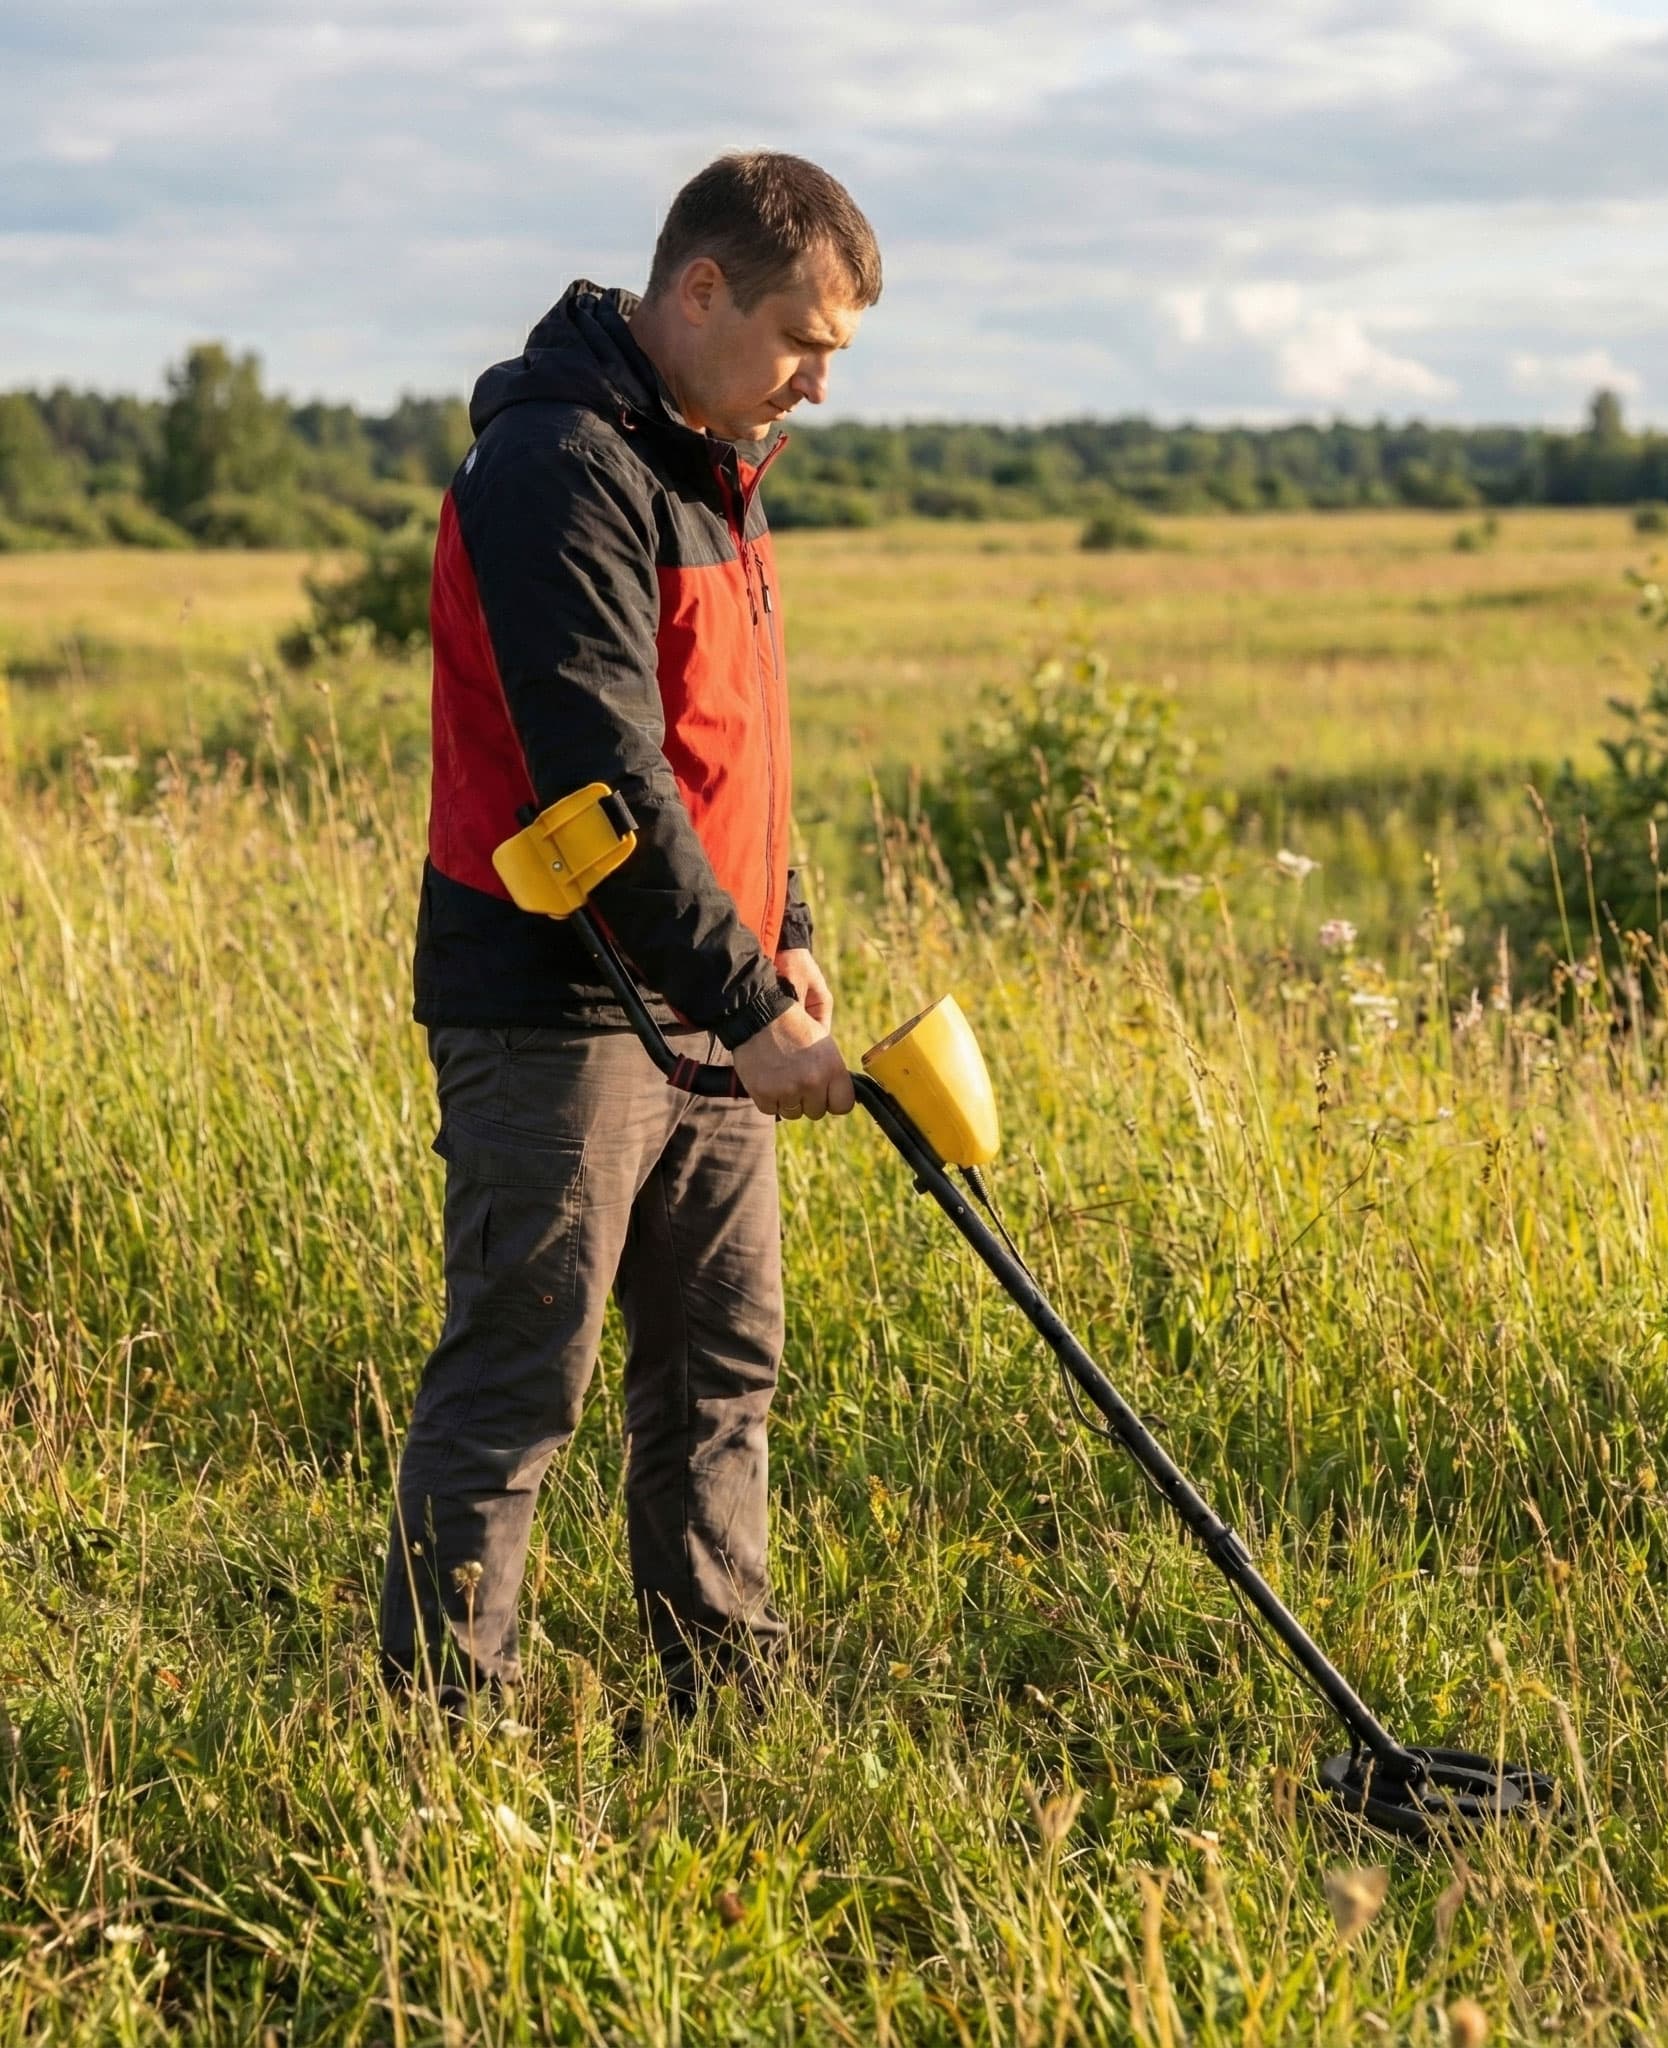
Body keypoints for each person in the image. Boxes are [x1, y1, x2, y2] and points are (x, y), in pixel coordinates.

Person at [379, 152, 880, 1732]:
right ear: (702, 288)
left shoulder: (712, 460)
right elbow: (606, 775)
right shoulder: (557, 467)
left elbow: (736, 751)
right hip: (557, 1007)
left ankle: (730, 1710)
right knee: (524, 1381)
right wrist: (745, 999)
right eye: (804, 340)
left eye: (837, 360)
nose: (816, 384)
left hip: (711, 1008)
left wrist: (783, 937)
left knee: (720, 1380)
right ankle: (437, 1741)